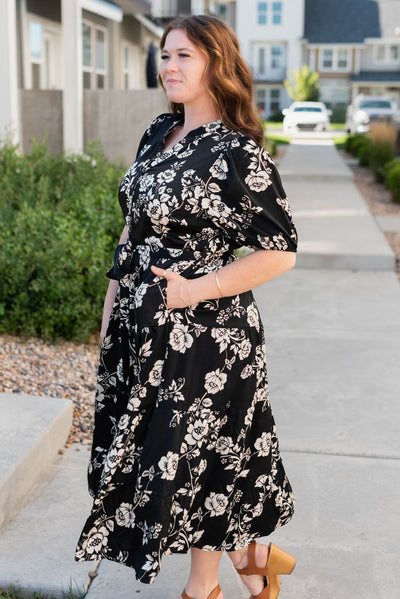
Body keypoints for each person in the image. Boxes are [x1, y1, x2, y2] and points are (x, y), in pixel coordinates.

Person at [75, 14, 298, 599]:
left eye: (184, 57)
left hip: (207, 336)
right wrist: (110, 318)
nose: (168, 67)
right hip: (140, 330)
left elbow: (281, 253)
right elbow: (132, 232)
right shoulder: (159, 131)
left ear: (215, 66)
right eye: (165, 54)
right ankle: (256, 559)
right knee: (160, 462)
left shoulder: (238, 153)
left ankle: (204, 587)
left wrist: (195, 290)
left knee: (200, 461)